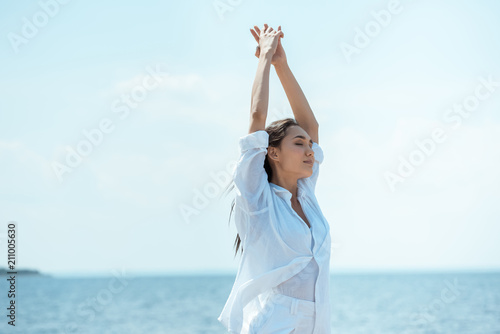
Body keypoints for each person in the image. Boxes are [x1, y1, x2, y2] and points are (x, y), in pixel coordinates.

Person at [218, 23, 332, 334]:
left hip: (317, 323)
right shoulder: (258, 199)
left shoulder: (306, 195)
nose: (310, 150)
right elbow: (257, 121)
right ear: (273, 153)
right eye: (298, 143)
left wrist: (283, 64)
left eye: (309, 145)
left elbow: (312, 125)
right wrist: (265, 58)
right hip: (277, 325)